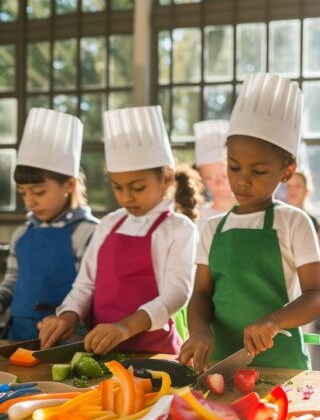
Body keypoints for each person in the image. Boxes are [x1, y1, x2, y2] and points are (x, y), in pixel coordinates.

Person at [180, 72, 320, 372]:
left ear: (287, 171)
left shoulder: (294, 222)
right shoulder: (212, 228)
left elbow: (317, 296)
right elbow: (200, 293)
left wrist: (274, 321)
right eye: (234, 167)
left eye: (258, 171)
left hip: (281, 366)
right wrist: (198, 331)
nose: (242, 180)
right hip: (220, 363)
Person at [38, 106, 198, 355]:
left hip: (156, 353)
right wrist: (67, 316)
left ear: (166, 177)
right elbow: (84, 285)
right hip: (101, 352)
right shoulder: (109, 223)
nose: (126, 197)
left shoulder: (179, 229)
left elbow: (176, 294)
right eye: (118, 187)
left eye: (137, 187)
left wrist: (125, 327)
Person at [0, 108, 98, 340]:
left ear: (70, 185)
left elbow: (91, 290)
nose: (30, 201)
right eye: (23, 193)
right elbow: (12, 280)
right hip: (16, 335)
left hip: (66, 339)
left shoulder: (89, 232)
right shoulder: (22, 233)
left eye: (39, 192)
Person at [193, 120, 236, 229]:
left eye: (224, 176)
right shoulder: (197, 216)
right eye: (209, 177)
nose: (219, 184)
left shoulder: (251, 214)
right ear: (201, 177)